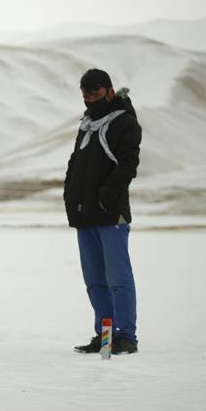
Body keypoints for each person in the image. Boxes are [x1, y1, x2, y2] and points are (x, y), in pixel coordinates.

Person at [66, 69, 142, 355]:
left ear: (110, 92)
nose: (90, 102)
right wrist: (70, 197)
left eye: (95, 96)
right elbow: (75, 164)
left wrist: (106, 197)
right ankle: (105, 335)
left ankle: (127, 337)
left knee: (119, 279)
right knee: (95, 281)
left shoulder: (126, 124)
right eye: (86, 97)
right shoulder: (87, 124)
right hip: (85, 215)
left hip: (111, 215)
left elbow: (127, 167)